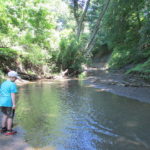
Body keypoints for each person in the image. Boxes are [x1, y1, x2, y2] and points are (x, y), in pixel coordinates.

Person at [0, 71, 19, 135]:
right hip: (8, 103)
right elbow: (12, 94)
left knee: (4, 115)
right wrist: (14, 104)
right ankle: (9, 130)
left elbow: (0, 93)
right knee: (10, 116)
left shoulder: (3, 83)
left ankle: (3, 128)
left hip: (1, 102)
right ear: (12, 77)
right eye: (16, 78)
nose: (16, 79)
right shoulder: (12, 84)